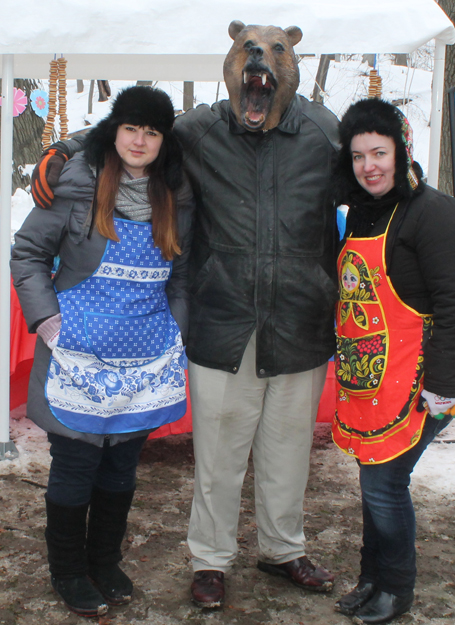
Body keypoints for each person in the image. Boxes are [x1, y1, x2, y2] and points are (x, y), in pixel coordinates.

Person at [29, 21, 339, 609]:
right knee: (219, 453)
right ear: (230, 62)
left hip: (300, 319)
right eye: (247, 48)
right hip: (223, 322)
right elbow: (134, 131)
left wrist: (406, 170)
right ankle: (211, 561)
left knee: (288, 449)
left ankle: (282, 548)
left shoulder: (321, 129)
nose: (259, 60)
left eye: (273, 51)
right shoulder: (199, 130)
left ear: (292, 62)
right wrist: (66, 148)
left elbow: (368, 166)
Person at [11, 86, 194, 618]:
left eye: (152, 132)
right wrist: (48, 323)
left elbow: (181, 275)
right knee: (75, 466)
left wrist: (172, 333)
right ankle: (69, 570)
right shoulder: (75, 182)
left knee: (121, 468)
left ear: (164, 141)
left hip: (144, 359)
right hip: (75, 356)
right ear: (114, 131)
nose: (139, 140)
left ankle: (105, 560)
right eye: (131, 128)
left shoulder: (176, 195)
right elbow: (27, 255)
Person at [331, 98, 455, 624]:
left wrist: (442, 387)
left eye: (379, 152)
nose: (369, 165)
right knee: (375, 479)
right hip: (370, 379)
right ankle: (372, 579)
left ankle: (396, 586)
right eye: (358, 155)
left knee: (385, 484)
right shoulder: (362, 212)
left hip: (418, 381)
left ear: (402, 151)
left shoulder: (434, 213)